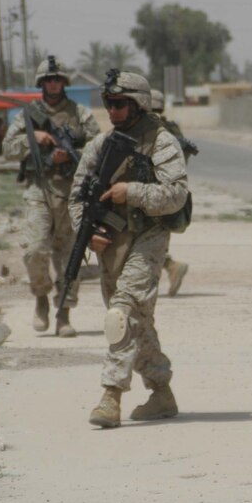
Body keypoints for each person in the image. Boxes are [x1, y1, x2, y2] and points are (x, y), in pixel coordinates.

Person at [70, 72, 190, 428]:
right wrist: (87, 232)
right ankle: (161, 391)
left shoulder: (161, 142)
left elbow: (176, 194)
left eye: (120, 103)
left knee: (120, 314)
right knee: (135, 323)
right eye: (109, 103)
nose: (113, 110)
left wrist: (131, 192)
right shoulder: (100, 145)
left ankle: (111, 396)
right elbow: (77, 197)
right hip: (111, 243)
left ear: (138, 103)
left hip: (149, 237)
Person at [3, 56, 100, 336]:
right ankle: (42, 297)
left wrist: (71, 155)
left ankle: (64, 314)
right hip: (39, 190)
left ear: (64, 82)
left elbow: (99, 144)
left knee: (69, 257)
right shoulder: (28, 115)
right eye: (48, 80)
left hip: (72, 191)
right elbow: (8, 147)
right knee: (34, 249)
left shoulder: (79, 113)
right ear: (41, 83)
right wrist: (36, 139)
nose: (53, 84)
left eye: (57, 79)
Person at [150, 88, 191, 297]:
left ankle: (170, 266)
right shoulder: (172, 129)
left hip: (153, 192)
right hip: (170, 192)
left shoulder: (153, 129)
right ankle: (171, 267)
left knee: (146, 237)